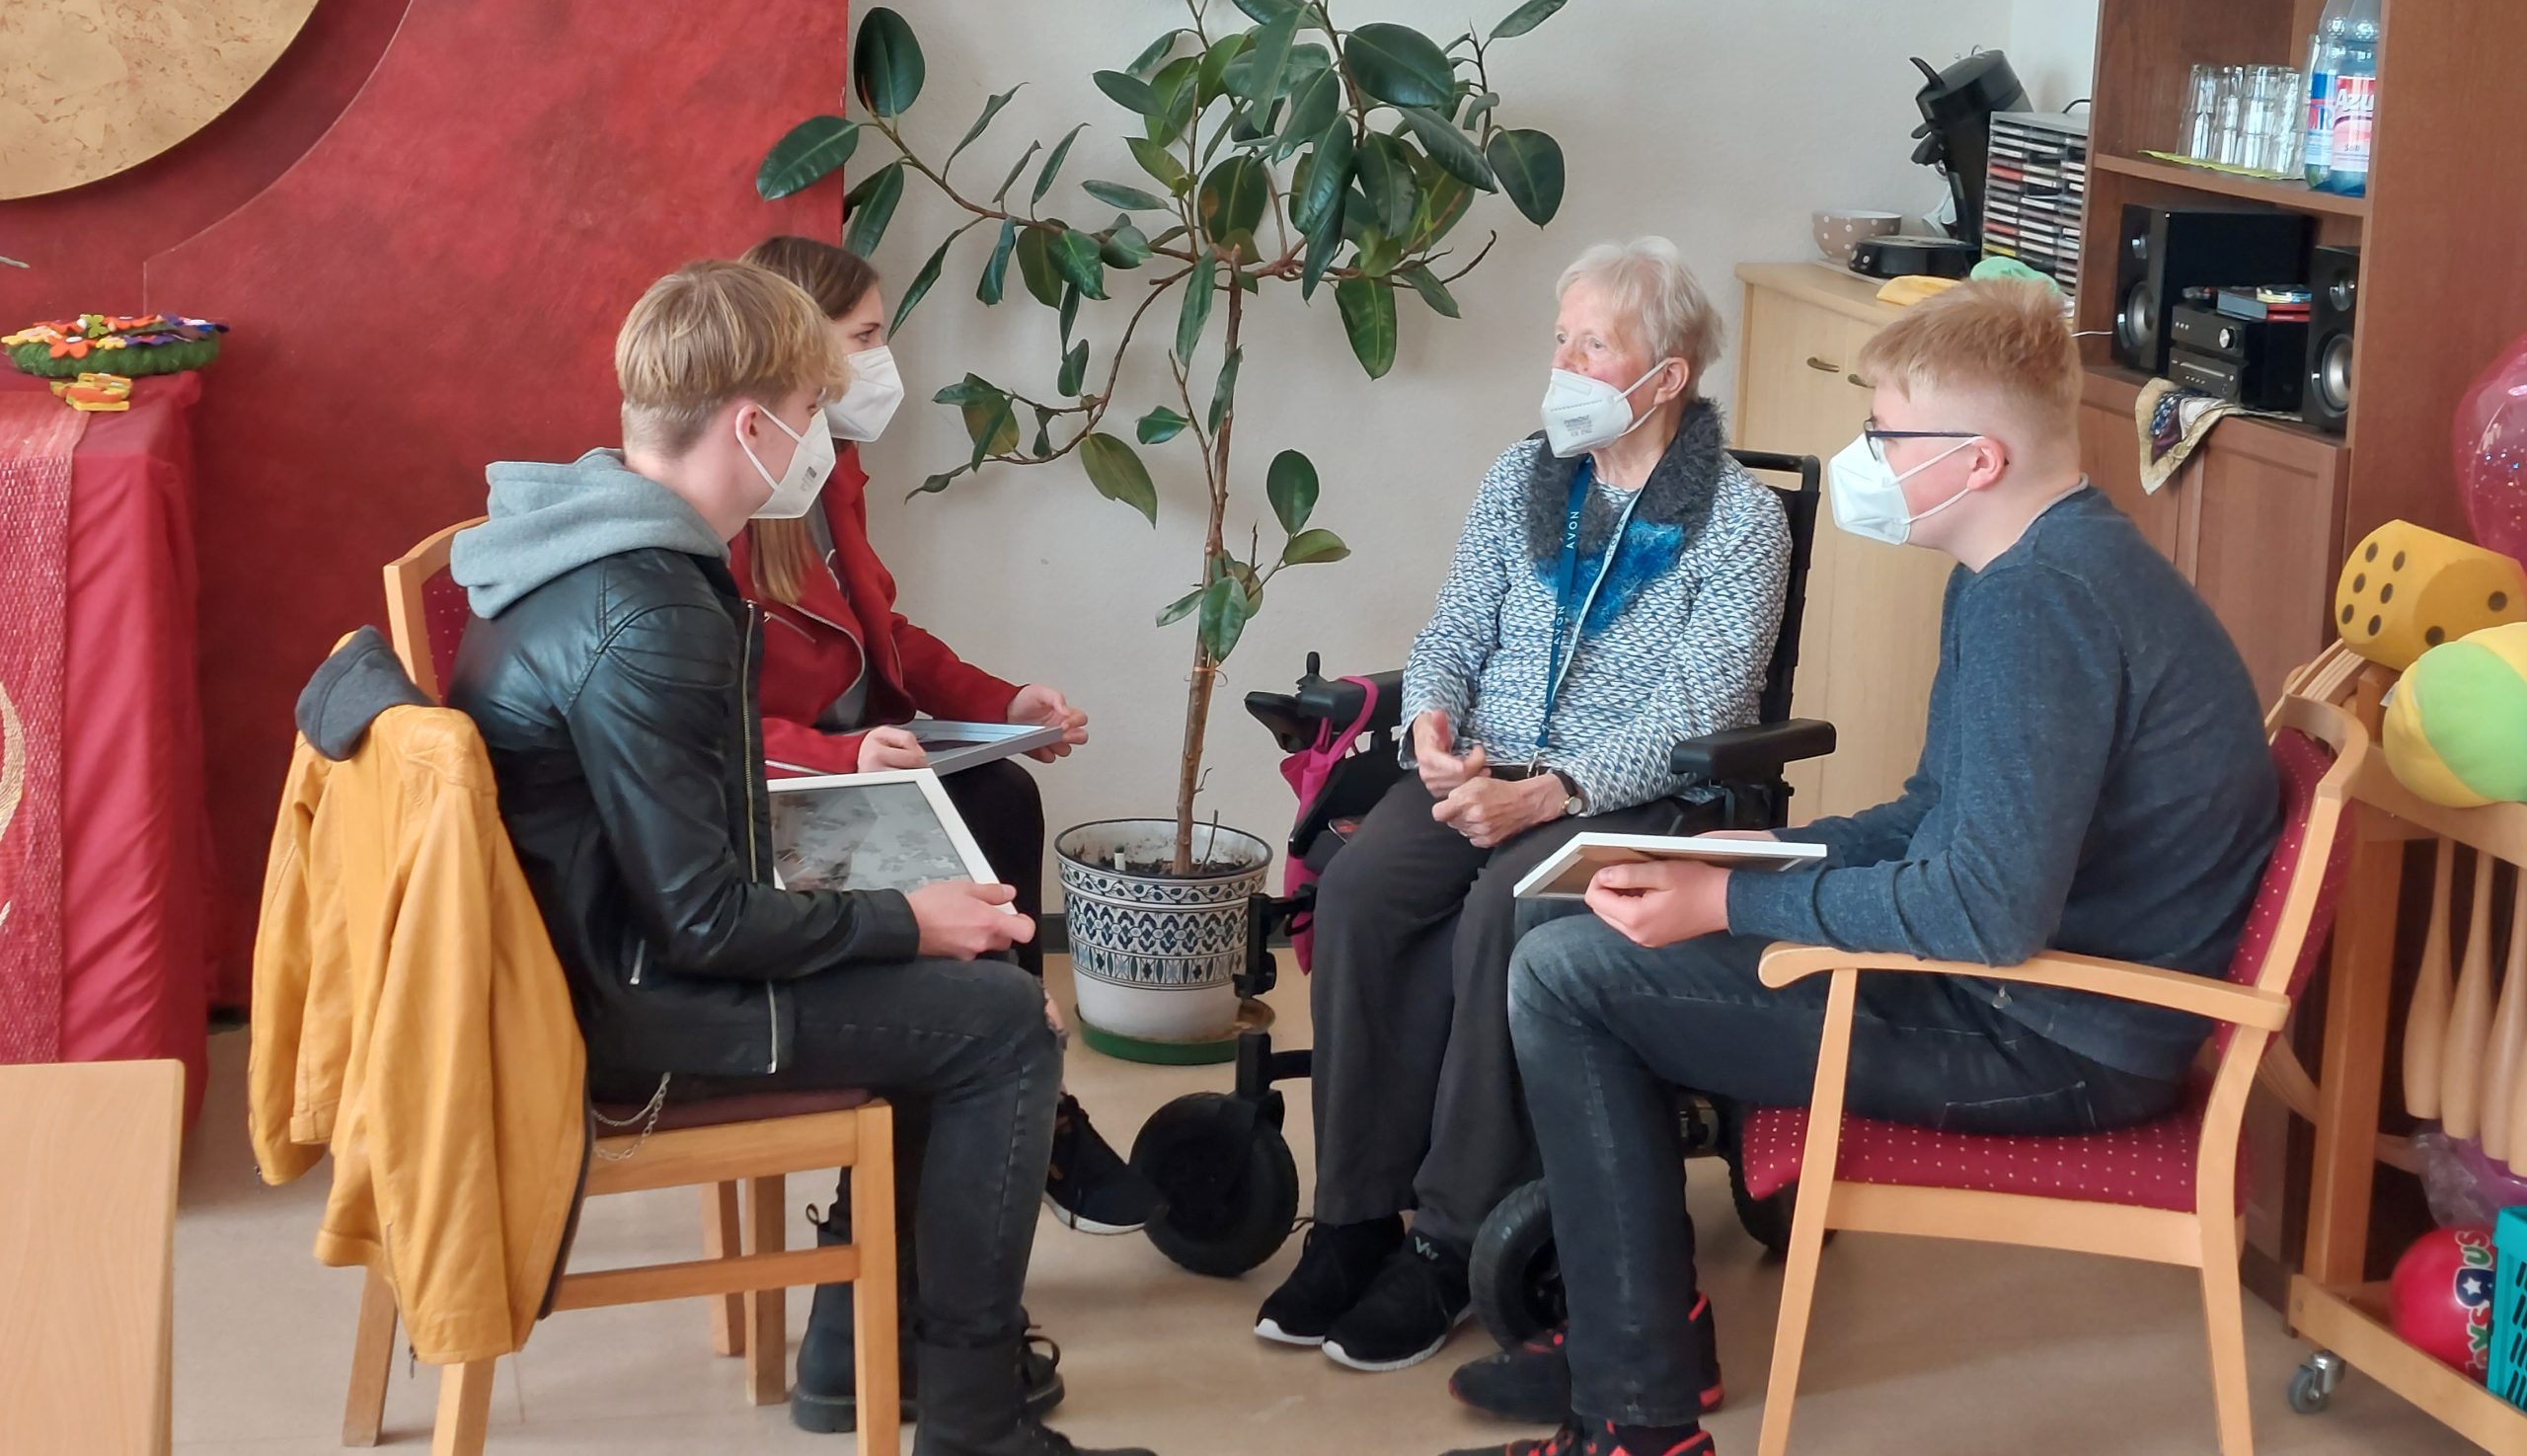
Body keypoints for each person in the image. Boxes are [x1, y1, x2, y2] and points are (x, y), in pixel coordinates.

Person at [1444, 278, 2280, 1456]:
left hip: (2053, 1039)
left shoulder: (2038, 604)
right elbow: (1938, 814)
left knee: (1567, 976)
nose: (1867, 460)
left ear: (1976, 460)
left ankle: (1639, 1415)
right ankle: (1636, 1337)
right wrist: (1754, 852)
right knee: (1566, 938)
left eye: (1888, 436)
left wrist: (1727, 897)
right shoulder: (2035, 567)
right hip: (2039, 994)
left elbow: (1981, 910)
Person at [444, 259, 1153, 1456]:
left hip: (586, 954)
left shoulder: (581, 539)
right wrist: (907, 921)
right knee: (1001, 1024)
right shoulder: (656, 608)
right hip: (628, 1014)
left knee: (966, 965)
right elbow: (704, 926)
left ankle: (874, 1347)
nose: (826, 444)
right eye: (817, 415)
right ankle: (969, 1420)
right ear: (753, 425)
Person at [1258, 239, 1792, 1377]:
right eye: (1562, 337)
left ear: (1667, 375)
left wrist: (1550, 790)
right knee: (1358, 891)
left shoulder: (1739, 522)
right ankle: (1354, 1216)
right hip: (1482, 768)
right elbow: (1451, 633)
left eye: (1592, 343)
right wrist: (1433, 731)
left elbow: (1707, 706)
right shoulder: (1522, 477)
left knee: (1507, 910)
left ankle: (1451, 1234)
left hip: (1619, 792)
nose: (1563, 362)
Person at [735, 235, 1153, 1236]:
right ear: (796, 351)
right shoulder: (732, 504)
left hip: (849, 773)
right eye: (866, 339)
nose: (883, 365)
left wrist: (1002, 703)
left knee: (1001, 791)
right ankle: (987, 1129)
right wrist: (845, 756)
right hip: (777, 799)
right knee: (983, 818)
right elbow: (704, 724)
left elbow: (888, 628)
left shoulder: (831, 472)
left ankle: (1007, 1114)